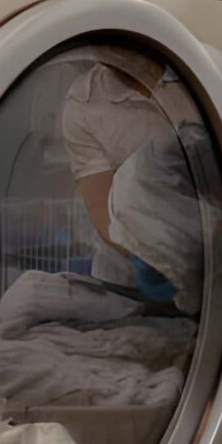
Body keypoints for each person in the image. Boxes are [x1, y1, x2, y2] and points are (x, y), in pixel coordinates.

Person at [60, 47, 184, 302]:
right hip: (127, 275)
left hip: (210, 261)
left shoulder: (197, 72)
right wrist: (146, 256)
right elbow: (101, 207)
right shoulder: (84, 102)